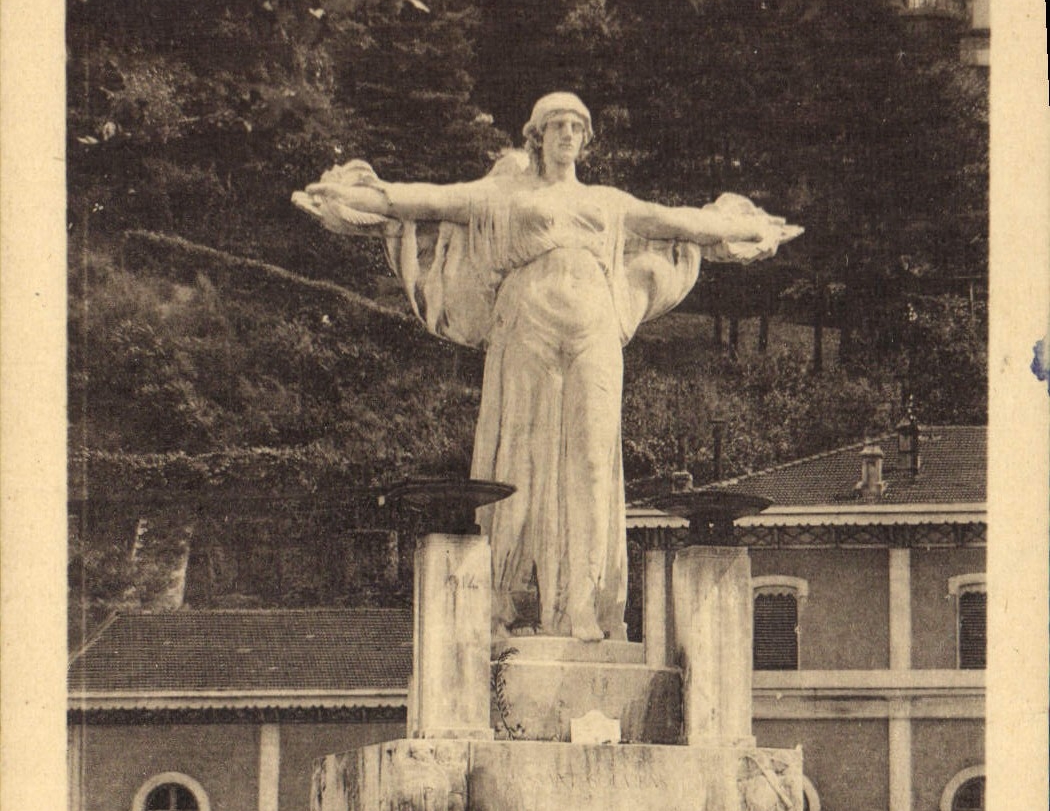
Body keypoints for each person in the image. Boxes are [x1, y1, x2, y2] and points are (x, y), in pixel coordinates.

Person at [295, 93, 800, 641]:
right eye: (555, 125)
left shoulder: (608, 201)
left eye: (576, 126)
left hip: (594, 327)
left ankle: (579, 605)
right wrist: (361, 194)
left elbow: (678, 223)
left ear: (586, 139)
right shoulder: (501, 196)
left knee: (590, 462)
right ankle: (502, 601)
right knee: (519, 461)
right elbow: (426, 201)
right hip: (527, 322)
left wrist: (748, 228)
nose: (566, 134)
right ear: (536, 136)